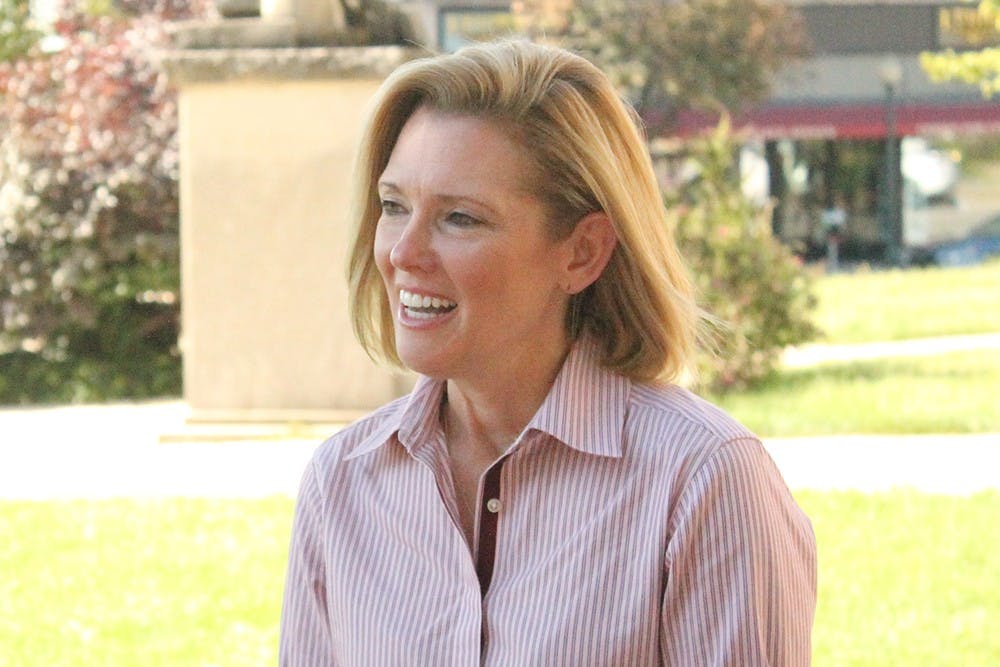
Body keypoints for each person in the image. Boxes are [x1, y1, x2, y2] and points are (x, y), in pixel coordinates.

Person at [280, 39, 816, 666]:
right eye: (394, 206)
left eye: (460, 218)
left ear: (582, 252)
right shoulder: (342, 483)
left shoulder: (703, 482)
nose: (403, 253)